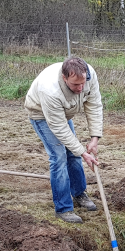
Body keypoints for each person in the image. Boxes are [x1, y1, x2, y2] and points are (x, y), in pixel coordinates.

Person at [24, 57, 103, 224]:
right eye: (75, 85)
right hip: (42, 115)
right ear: (64, 77)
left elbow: (94, 105)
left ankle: (79, 193)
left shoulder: (89, 74)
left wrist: (94, 138)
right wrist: (83, 152)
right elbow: (59, 127)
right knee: (59, 157)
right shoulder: (50, 90)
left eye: (83, 83)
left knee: (73, 155)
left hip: (63, 113)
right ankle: (64, 208)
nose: (81, 88)